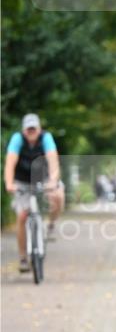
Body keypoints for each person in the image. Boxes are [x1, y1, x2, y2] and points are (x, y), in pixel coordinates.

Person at [4, 113, 65, 272]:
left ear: (39, 129)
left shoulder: (46, 138)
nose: (31, 132)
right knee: (22, 216)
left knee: (58, 196)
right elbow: (10, 163)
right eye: (28, 129)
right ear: (23, 130)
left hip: (42, 178)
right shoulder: (17, 139)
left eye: (34, 129)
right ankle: (23, 258)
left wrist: (53, 181)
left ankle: (51, 225)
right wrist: (9, 183)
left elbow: (53, 162)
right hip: (22, 181)